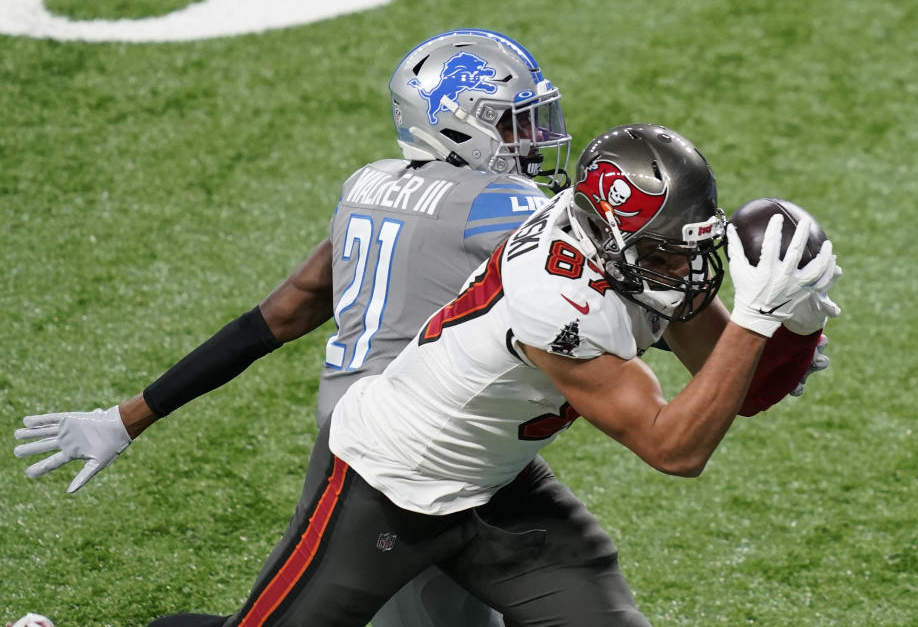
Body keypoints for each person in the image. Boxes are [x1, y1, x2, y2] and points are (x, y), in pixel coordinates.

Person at [77, 122, 840, 626]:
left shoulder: (623, 250)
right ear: (608, 239)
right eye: (665, 252)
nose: (683, 269)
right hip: (386, 486)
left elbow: (733, 385)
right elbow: (675, 448)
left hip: (499, 484)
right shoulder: (556, 300)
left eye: (688, 246)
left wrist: (789, 329)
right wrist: (758, 324)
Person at [13, 29, 574, 627]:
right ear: (456, 124)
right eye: (512, 123)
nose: (534, 140)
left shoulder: (370, 186)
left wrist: (128, 418)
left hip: (381, 434)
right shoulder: (502, 204)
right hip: (406, 453)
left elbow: (278, 316)